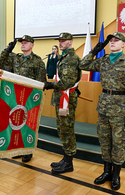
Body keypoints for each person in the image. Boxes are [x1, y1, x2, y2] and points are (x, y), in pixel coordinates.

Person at [79, 32, 125, 190]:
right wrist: (95, 50)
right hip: (104, 105)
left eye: (116, 40)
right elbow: (83, 65)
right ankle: (106, 171)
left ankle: (116, 175)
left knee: (118, 142)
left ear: (123, 44)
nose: (112, 42)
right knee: (104, 139)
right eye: (111, 40)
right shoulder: (103, 60)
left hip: (120, 107)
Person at [0, 35, 46, 163]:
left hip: (30, 99)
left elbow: (41, 82)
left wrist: (35, 100)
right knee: (17, 124)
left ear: (32, 45)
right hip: (16, 96)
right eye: (22, 42)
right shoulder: (16, 58)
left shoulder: (38, 61)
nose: (23, 44)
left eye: (26, 42)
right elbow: (0, 62)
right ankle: (19, 149)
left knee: (28, 125)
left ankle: (28, 151)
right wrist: (8, 49)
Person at [44, 32, 82, 173]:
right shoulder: (64, 57)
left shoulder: (71, 58)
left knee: (66, 130)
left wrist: (50, 85)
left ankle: (69, 162)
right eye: (59, 40)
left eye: (63, 40)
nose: (60, 43)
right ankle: (65, 159)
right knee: (62, 129)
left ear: (70, 42)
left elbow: (66, 82)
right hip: (61, 98)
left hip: (67, 99)